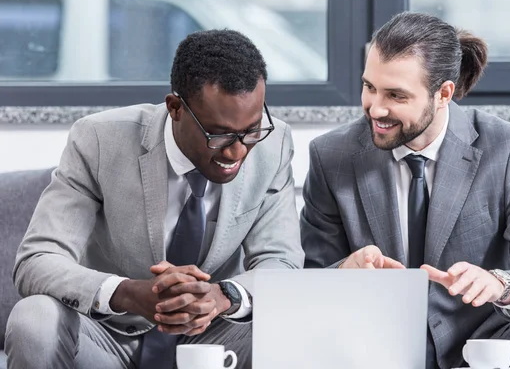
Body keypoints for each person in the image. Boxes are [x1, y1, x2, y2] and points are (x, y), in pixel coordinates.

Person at [300, 12, 510, 369]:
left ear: (443, 94)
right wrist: (344, 271)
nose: (375, 108)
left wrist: (499, 284)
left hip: (484, 339)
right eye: (369, 87)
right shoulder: (330, 156)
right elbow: (310, 284)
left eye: (396, 95)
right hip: (373, 341)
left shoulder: (506, 148)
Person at [5, 29, 304, 369]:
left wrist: (224, 297)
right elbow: (38, 259)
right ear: (175, 108)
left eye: (251, 131)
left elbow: (281, 263)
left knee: (295, 318)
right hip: (110, 339)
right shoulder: (99, 140)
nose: (237, 151)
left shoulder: (273, 144)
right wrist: (129, 293)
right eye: (219, 134)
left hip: (213, 340)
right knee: (34, 318)